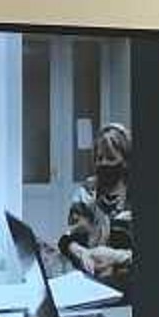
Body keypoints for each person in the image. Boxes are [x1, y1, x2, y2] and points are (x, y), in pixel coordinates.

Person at [58, 123, 133, 290]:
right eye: (99, 158)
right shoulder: (87, 191)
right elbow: (68, 239)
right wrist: (81, 252)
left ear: (126, 161)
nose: (103, 163)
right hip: (90, 282)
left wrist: (116, 257)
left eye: (110, 158)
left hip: (129, 286)